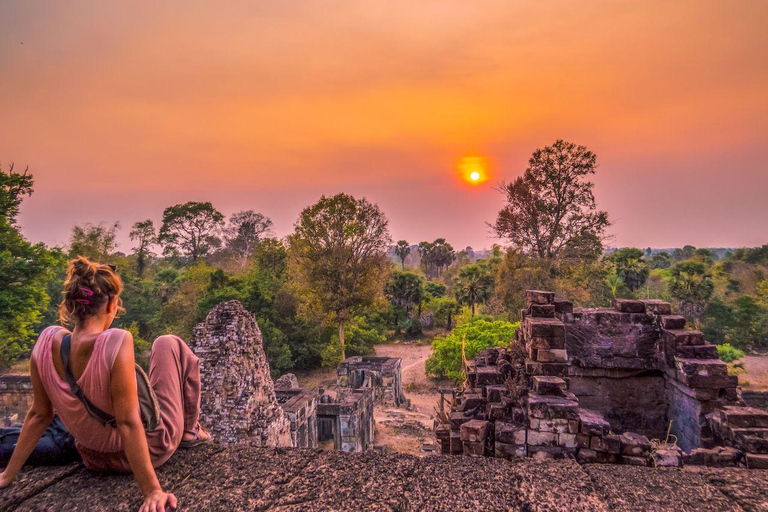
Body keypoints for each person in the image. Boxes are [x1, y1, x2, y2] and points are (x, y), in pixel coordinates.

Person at [0, 257, 210, 512]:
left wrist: (7, 475)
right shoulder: (115, 341)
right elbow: (128, 423)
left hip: (93, 458)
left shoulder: (45, 342)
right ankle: (189, 431)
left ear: (69, 306)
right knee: (167, 343)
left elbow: (38, 415)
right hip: (150, 450)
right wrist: (153, 490)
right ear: (112, 304)